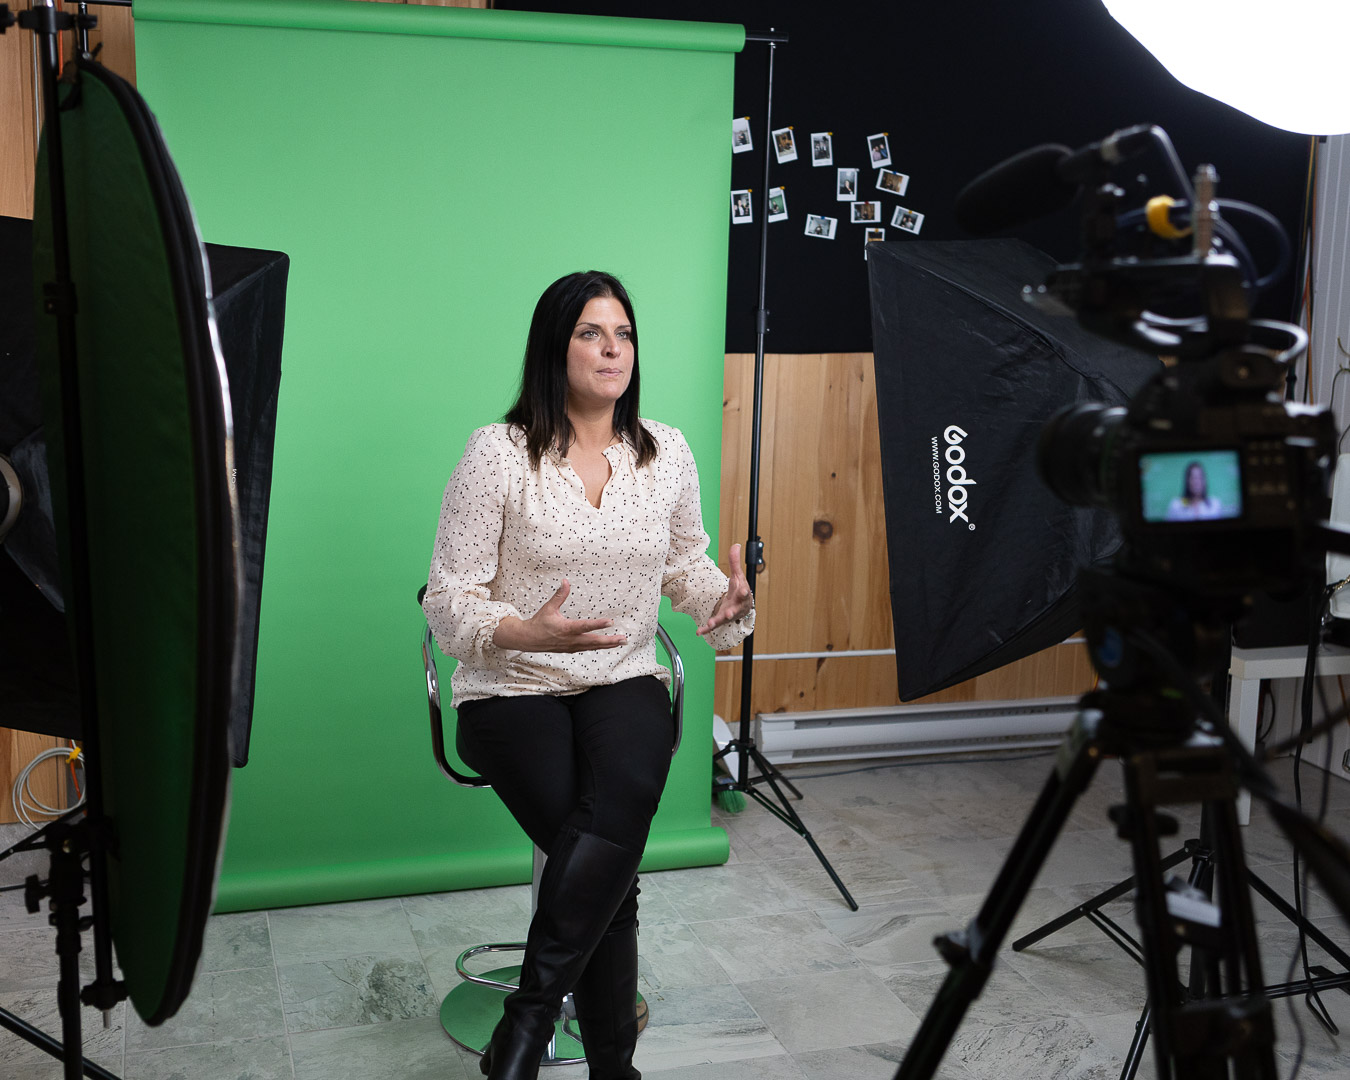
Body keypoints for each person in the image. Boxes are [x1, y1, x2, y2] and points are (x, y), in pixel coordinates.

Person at [423, 271, 754, 1080]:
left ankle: (528, 1024)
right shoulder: (497, 453)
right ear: (554, 347)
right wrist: (519, 628)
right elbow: (447, 599)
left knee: (607, 829)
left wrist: (726, 597)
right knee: (607, 856)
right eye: (591, 334)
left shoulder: (665, 451)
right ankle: (612, 1069)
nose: (613, 351)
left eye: (624, 335)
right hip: (512, 683)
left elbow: (686, 565)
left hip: (622, 674)